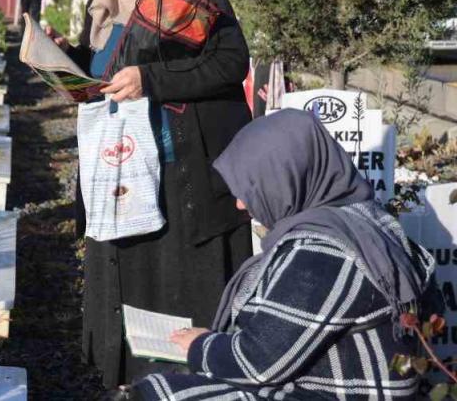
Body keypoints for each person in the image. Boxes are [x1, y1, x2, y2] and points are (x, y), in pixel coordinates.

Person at [58, 0, 254, 390]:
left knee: (175, 290)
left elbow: (231, 62)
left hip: (180, 176)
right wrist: (67, 61)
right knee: (130, 286)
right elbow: (110, 64)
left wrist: (153, 81)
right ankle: (134, 384)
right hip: (121, 172)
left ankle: (184, 387)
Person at [135, 109, 436, 400]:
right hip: (328, 385)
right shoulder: (365, 222)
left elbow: (258, 363)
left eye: (251, 187)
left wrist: (199, 345)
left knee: (152, 392)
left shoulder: (323, 253)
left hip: (325, 393)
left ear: (285, 177)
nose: (240, 204)